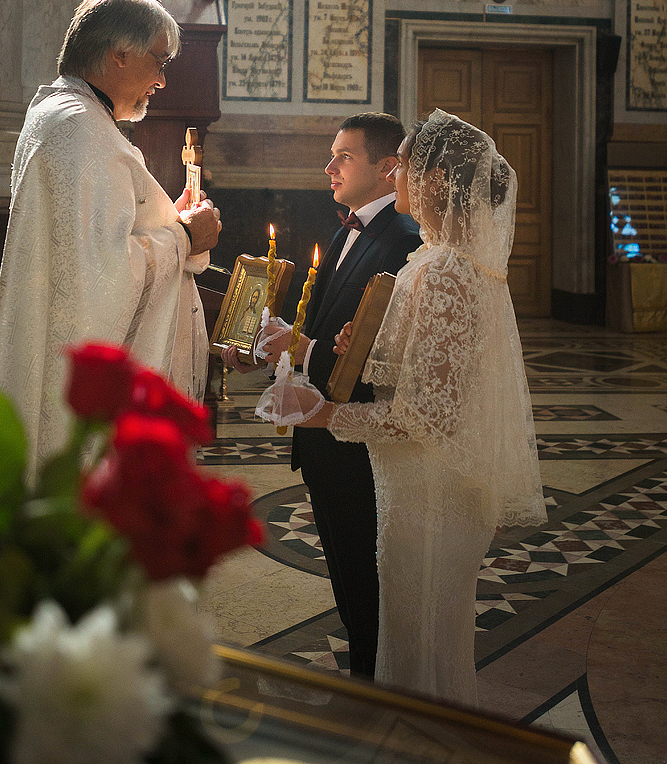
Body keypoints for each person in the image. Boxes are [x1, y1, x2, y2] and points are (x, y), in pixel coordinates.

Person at [300, 109, 546, 704]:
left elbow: (426, 415)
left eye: (406, 164)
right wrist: (358, 346)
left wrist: (326, 415)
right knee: (421, 636)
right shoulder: (445, 262)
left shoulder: (444, 272)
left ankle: (419, 740)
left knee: (420, 638)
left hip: (429, 488)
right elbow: (425, 372)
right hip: (416, 483)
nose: (397, 174)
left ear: (434, 182)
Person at [0, 0, 222, 469]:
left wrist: (169, 219)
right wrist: (185, 236)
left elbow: (90, 244)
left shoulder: (63, 115)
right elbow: (99, 280)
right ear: (119, 54)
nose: (161, 81)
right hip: (82, 398)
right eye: (160, 62)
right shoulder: (81, 130)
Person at [224, 113, 421, 678]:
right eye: (331, 154)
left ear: (388, 169)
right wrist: (267, 345)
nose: (329, 166)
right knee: (348, 575)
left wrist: (302, 346)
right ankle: (367, 673)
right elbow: (323, 324)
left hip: (358, 441)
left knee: (367, 574)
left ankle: (377, 685)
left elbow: (380, 359)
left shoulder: (402, 243)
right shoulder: (345, 230)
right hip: (324, 437)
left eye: (345, 156)